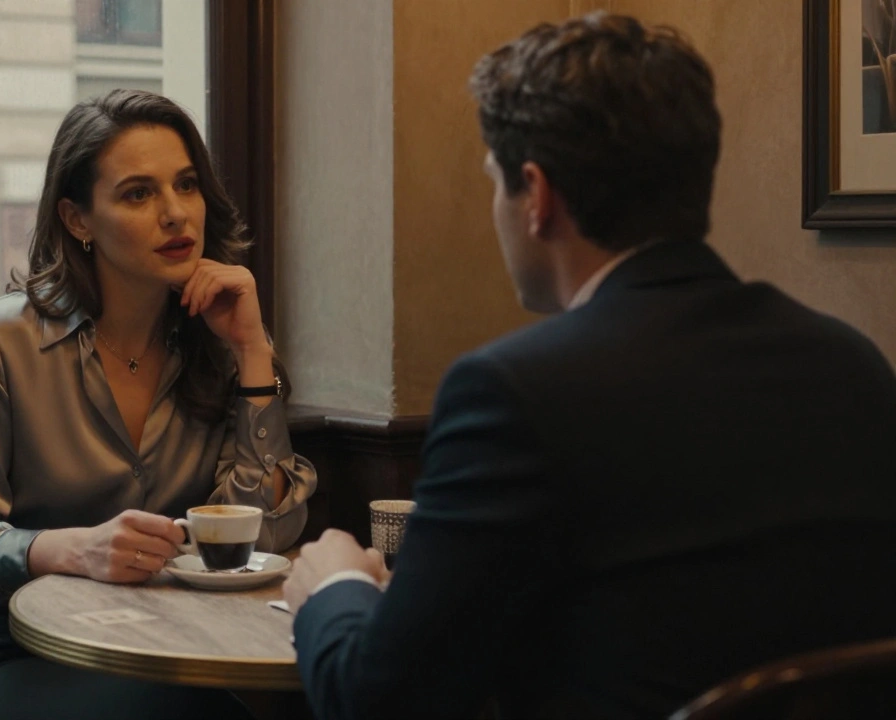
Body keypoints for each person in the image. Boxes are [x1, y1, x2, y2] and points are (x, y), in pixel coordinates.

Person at [283, 13, 896, 720]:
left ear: (538, 197)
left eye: (495, 182)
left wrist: (333, 588)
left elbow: (379, 701)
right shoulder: (852, 364)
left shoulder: (515, 394)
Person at [0, 89, 317, 720]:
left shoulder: (214, 346)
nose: (175, 214)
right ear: (78, 219)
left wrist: (251, 350)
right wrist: (73, 550)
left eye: (186, 186)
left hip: (165, 651)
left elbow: (259, 533)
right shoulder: (1, 340)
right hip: (9, 660)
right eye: (138, 193)